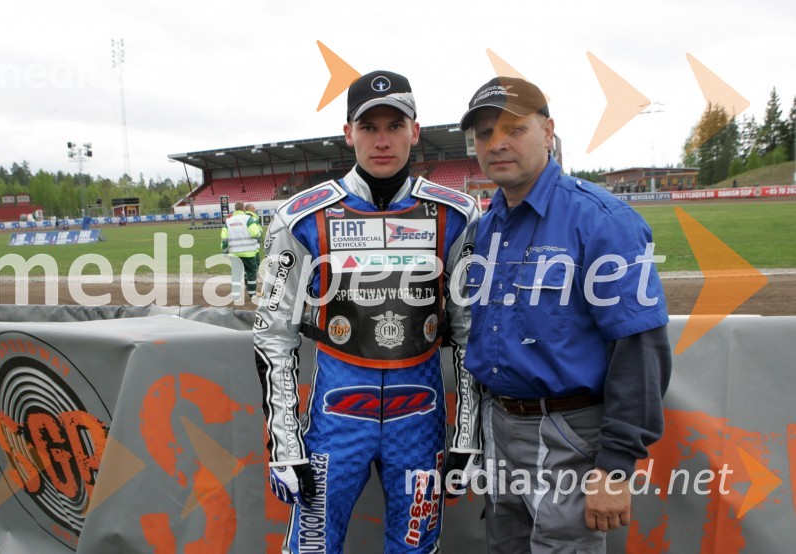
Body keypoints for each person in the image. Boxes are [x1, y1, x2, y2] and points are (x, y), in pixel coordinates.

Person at [253, 70, 483, 553]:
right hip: (336, 418)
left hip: (419, 420)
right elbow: (274, 335)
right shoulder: (301, 216)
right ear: (348, 134)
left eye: (395, 126)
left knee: (416, 546)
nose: (383, 140)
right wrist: (285, 444)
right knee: (312, 546)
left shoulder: (457, 214)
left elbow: (469, 334)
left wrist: (467, 436)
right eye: (369, 127)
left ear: (415, 132)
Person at [459, 77, 671, 553]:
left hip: (570, 432)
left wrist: (615, 467)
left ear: (548, 130)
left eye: (514, 128)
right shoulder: (487, 226)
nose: (498, 143)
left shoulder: (601, 220)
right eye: (484, 134)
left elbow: (641, 349)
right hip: (500, 425)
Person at [221, 201, 263, 300]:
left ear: (235, 209)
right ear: (243, 209)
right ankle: (252, 294)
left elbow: (224, 238)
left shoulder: (228, 221)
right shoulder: (248, 219)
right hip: (248, 252)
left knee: (236, 274)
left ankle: (236, 294)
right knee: (251, 273)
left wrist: (225, 251)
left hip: (234, 253)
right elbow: (255, 233)